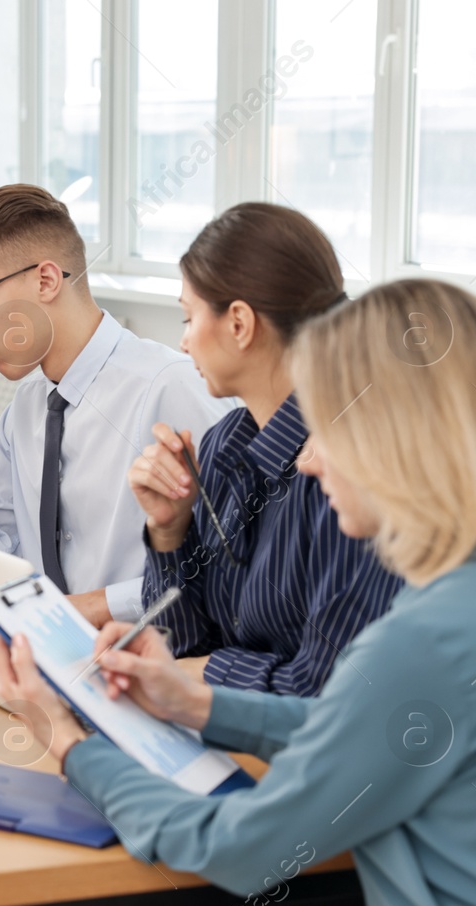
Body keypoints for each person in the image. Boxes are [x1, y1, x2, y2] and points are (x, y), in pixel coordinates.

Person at [0, 278, 476, 906]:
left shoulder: (428, 636)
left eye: (324, 429)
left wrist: (71, 744)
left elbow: (241, 848)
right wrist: (196, 702)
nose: (311, 458)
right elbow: (385, 726)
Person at [0, 183, 231, 906]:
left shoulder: (169, 389)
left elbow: (226, 576)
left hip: (157, 694)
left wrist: (85, 607)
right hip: (67, 693)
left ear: (47, 277)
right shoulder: (26, 407)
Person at [129, 202, 403, 696]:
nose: (184, 342)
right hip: (220, 736)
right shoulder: (222, 443)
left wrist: (204, 675)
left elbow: (329, 689)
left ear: (239, 323)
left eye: (189, 318)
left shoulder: (342, 471)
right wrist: (169, 531)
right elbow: (177, 646)